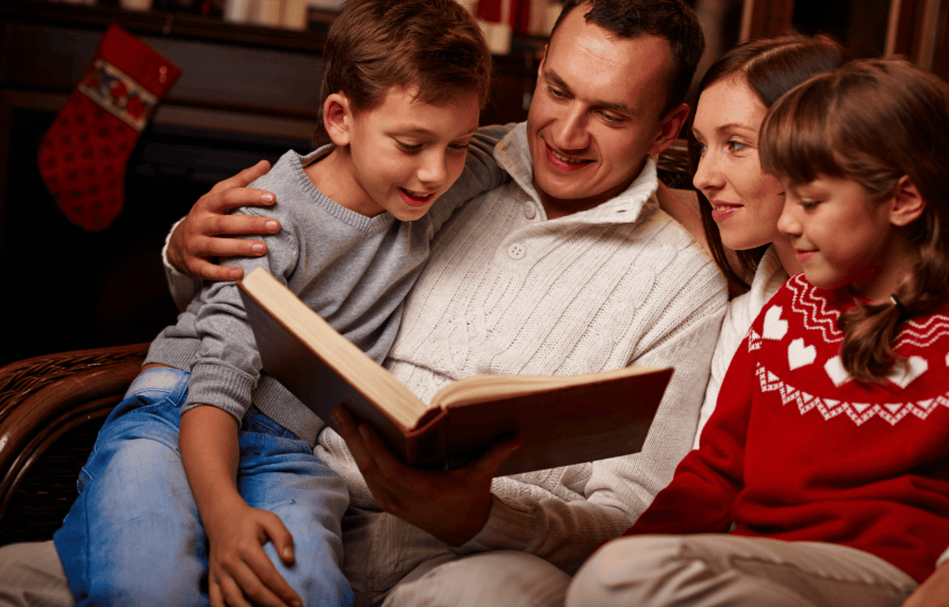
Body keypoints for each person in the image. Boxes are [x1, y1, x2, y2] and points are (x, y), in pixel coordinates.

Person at [0, 1, 726, 607]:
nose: (566, 135)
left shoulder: (680, 280)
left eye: (611, 114)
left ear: (668, 128)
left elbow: (635, 517)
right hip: (269, 469)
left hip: (440, 550)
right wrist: (185, 245)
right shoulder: (464, 163)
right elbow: (286, 253)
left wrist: (484, 515)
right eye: (559, 91)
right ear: (536, 71)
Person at [1, 1, 506, 606]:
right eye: (412, 143)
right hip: (180, 411)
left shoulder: (434, 184)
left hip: (288, 449)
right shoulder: (265, 218)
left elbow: (533, 142)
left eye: (457, 145)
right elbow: (217, 382)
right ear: (341, 118)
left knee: (305, 589)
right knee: (148, 584)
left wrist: (649, 180)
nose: (435, 172)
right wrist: (224, 517)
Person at [566, 56, 949, 607]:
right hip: (759, 568)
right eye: (789, 197)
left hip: (891, 578)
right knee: (615, 575)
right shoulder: (786, 312)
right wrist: (628, 556)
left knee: (623, 575)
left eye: (811, 202)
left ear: (903, 199)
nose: (790, 222)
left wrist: (627, 571)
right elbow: (713, 473)